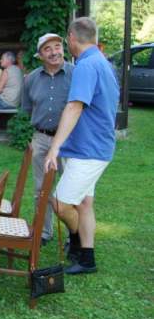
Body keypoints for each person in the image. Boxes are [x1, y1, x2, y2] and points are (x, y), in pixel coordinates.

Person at [45, 17, 119, 275]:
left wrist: (54, 148)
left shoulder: (86, 66)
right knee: (85, 203)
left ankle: (76, 241)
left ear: (72, 38)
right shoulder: (103, 62)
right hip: (97, 146)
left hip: (88, 150)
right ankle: (87, 258)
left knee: (59, 203)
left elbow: (75, 106)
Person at [22, 33, 74, 245]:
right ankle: (44, 232)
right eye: (47, 49)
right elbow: (27, 109)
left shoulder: (76, 74)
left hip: (70, 140)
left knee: (72, 190)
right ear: (40, 55)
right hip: (41, 138)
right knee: (40, 189)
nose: (54, 52)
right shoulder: (31, 78)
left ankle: (75, 234)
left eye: (57, 46)